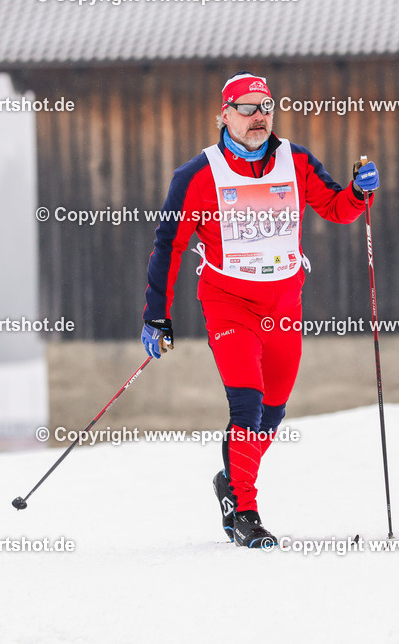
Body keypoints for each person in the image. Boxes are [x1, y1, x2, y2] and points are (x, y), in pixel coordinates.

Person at [141, 71, 379, 548]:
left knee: (272, 412)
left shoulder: (295, 161)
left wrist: (358, 192)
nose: (258, 117)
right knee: (246, 406)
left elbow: (335, 207)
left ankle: (229, 481)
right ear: (224, 115)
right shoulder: (197, 175)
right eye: (246, 108)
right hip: (229, 304)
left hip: (285, 303)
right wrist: (156, 313)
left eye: (265, 107)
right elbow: (169, 244)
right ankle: (245, 513)